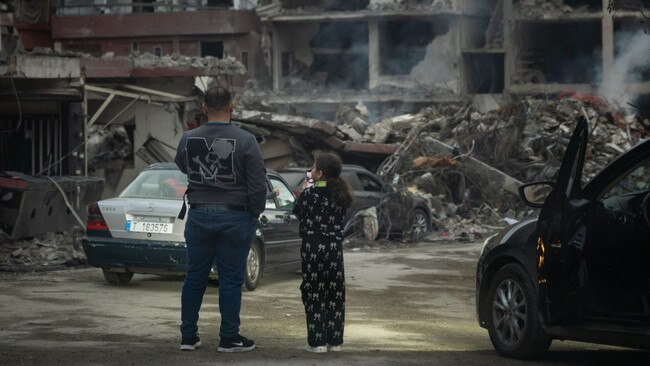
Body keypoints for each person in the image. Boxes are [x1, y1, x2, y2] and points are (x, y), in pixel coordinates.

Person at [174, 85, 267, 353]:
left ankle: (188, 337)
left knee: (194, 277)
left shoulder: (188, 138)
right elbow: (258, 184)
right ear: (232, 106)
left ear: (204, 108)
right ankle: (229, 338)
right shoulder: (246, 140)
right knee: (230, 280)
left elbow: (182, 166)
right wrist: (254, 211)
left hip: (199, 213)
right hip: (235, 216)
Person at [292, 153, 353, 353]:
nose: (310, 170)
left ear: (320, 173)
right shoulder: (341, 195)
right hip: (335, 250)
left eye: (313, 167)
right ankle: (335, 341)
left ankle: (317, 342)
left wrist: (306, 188)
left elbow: (297, 211)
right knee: (335, 293)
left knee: (314, 292)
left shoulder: (310, 195)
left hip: (313, 250)